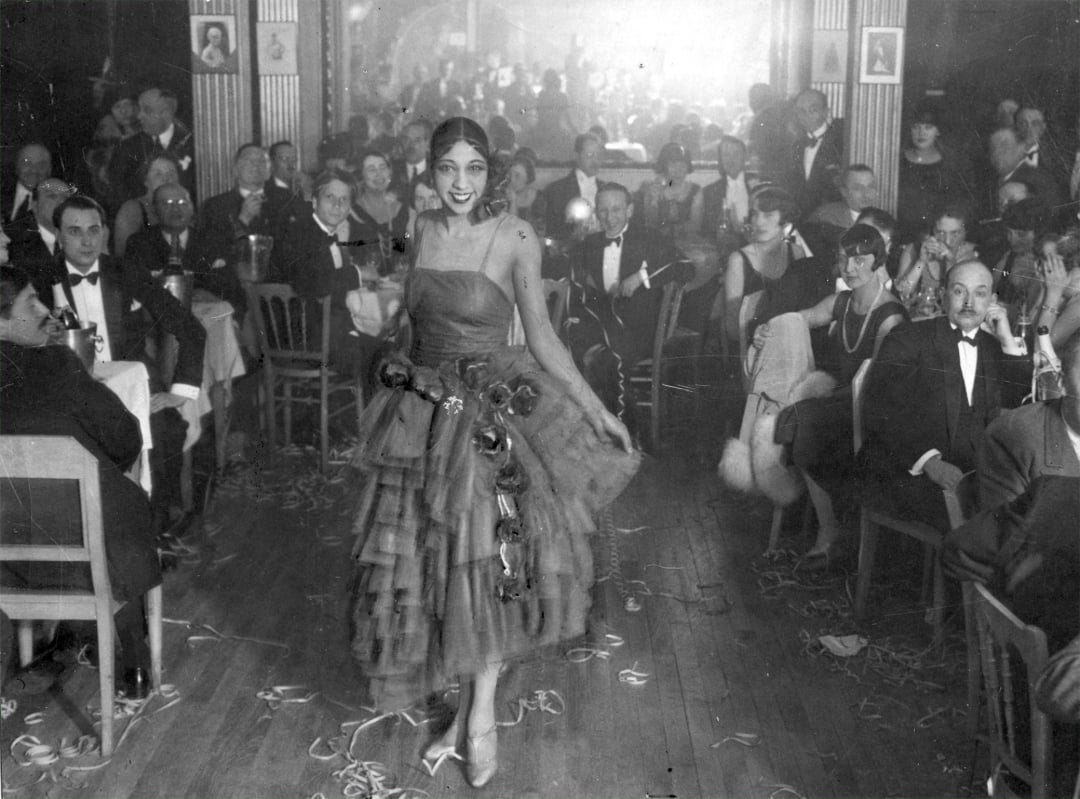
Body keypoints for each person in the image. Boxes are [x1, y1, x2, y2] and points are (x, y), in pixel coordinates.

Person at [347, 117, 635, 789]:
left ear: (490, 172)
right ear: (430, 171)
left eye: (473, 169)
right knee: (433, 566)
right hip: (422, 411)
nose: (461, 183)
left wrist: (597, 409)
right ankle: (461, 711)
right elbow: (411, 317)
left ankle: (478, 717)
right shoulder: (419, 227)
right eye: (448, 168)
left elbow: (543, 338)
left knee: (488, 562)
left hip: (489, 411)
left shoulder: (516, 235)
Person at [0, 265, 162, 696]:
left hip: (9, 558)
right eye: (30, 302)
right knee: (119, 505)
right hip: (87, 557)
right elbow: (125, 438)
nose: (44, 310)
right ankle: (135, 659)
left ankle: (61, 643)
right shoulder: (56, 363)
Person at [722, 226, 908, 559]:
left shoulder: (890, 316)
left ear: (878, 261)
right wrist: (766, 328)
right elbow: (798, 319)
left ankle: (830, 528)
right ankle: (826, 523)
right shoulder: (842, 302)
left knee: (803, 422)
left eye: (860, 260)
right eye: (843, 259)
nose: (849, 268)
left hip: (871, 410)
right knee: (798, 417)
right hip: (839, 400)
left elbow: (883, 386)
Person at [48, 194, 206, 534]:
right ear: (58, 236)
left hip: (133, 389)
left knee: (165, 430)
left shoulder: (126, 271)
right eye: (75, 231)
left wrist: (180, 391)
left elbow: (190, 328)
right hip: (71, 396)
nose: (87, 241)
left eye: (94, 230)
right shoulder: (41, 280)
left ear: (105, 232)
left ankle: (155, 531)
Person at [857, 260, 1029, 530]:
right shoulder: (908, 336)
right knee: (992, 519)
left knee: (1029, 505)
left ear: (993, 301)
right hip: (910, 466)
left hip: (973, 469)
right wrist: (930, 463)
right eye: (959, 291)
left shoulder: (994, 346)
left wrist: (1007, 338)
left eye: (980, 293)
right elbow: (881, 410)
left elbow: (1018, 403)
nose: (969, 302)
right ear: (943, 295)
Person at [564, 182, 690, 428]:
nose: (609, 217)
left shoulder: (649, 238)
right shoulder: (590, 243)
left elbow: (685, 267)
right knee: (565, 346)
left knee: (605, 360)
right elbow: (564, 266)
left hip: (638, 330)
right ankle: (584, 431)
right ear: (596, 212)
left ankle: (623, 432)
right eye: (603, 210)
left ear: (630, 210)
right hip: (602, 326)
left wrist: (641, 277)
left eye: (617, 209)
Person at [272, 169, 376, 379]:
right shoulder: (298, 234)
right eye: (330, 197)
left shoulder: (325, 234)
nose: (337, 205)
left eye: (344, 200)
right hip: (303, 343)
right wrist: (357, 273)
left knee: (388, 343)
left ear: (350, 208)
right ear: (314, 201)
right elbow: (311, 284)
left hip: (323, 334)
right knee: (384, 353)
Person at [723, 186, 807, 349]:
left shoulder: (797, 253)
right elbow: (732, 328)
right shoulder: (738, 260)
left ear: (785, 220)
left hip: (788, 344)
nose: (758, 222)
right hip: (750, 349)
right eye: (755, 214)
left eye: (768, 215)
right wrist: (755, 335)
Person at [199, 144, 279, 269]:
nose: (255, 165)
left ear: (269, 172)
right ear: (235, 169)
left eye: (261, 161)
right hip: (233, 274)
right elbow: (212, 250)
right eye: (248, 160)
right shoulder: (215, 205)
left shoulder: (285, 200)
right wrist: (242, 220)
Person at [897, 107, 971, 241]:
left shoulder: (951, 163)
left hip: (941, 235)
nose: (921, 133)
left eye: (928, 127)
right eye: (916, 127)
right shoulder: (898, 161)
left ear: (938, 131)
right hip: (903, 233)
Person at [110, 88, 196, 202]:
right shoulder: (126, 147)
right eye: (139, 109)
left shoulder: (193, 145)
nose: (139, 116)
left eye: (147, 110)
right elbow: (117, 193)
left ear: (166, 113)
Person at [894, 203, 978, 312]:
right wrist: (920, 262)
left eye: (955, 233)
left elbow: (960, 301)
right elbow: (902, 294)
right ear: (933, 230)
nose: (947, 241)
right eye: (941, 233)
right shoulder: (914, 250)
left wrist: (951, 262)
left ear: (965, 232)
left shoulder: (972, 255)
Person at [8, 178, 75, 296]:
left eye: (66, 198)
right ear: (34, 205)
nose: (61, 202)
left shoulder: (82, 239)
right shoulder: (13, 242)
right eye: (52, 196)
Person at [786, 89, 843, 217]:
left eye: (812, 110)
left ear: (825, 112)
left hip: (831, 218)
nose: (806, 116)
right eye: (801, 111)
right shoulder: (796, 146)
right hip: (803, 217)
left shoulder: (840, 142)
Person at [351, 149, 409, 275]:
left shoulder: (403, 209)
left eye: (383, 168)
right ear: (362, 176)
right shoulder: (351, 213)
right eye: (371, 170)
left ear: (390, 173)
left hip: (399, 282)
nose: (379, 174)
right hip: (364, 284)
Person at [536, 132, 603, 242]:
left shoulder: (606, 189)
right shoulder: (556, 190)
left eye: (598, 156)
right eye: (590, 155)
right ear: (576, 156)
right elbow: (550, 232)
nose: (595, 161)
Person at [800, 164, 879, 257]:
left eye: (870, 187)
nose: (866, 194)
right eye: (858, 188)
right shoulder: (824, 217)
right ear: (844, 191)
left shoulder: (881, 219)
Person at [112, 153, 180, 259]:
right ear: (146, 181)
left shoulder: (183, 208)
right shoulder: (132, 209)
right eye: (158, 174)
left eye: (171, 173)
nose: (166, 179)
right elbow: (122, 257)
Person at [637, 142, 703, 242]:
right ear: (665, 167)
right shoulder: (652, 188)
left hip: (687, 244)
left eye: (682, 165)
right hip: (657, 242)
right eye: (673, 165)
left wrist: (671, 231)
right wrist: (653, 202)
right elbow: (650, 225)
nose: (678, 170)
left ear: (688, 168)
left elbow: (695, 226)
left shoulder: (695, 190)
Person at [701, 136, 752, 243]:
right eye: (726, 155)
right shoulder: (709, 192)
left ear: (745, 157)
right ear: (720, 159)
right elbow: (706, 231)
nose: (731, 160)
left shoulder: (756, 186)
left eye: (736, 154)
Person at [3, 143, 52, 230]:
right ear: (17, 166)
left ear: (49, 170)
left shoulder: (56, 204)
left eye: (41, 164)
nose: (34, 170)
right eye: (27, 162)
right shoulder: (3, 195)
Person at [506, 152, 538, 224]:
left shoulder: (540, 199)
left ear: (529, 176)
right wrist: (513, 202)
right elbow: (511, 226)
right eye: (510, 175)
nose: (512, 180)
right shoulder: (502, 200)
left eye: (517, 176)